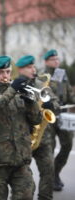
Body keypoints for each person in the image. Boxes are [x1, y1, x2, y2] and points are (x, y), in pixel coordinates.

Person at [0, 55, 42, 200]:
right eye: (1, 72)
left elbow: (36, 120)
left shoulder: (19, 94)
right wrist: (11, 91)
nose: (5, 75)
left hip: (21, 161)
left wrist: (31, 103)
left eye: (8, 71)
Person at [15, 55, 59, 200]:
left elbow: (56, 104)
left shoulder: (42, 86)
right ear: (20, 69)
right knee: (23, 179)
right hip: (23, 138)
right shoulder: (14, 86)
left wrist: (51, 105)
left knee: (48, 170)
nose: (33, 69)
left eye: (33, 66)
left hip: (43, 137)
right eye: (29, 67)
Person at [43, 49, 75, 191]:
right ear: (46, 61)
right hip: (48, 117)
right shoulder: (42, 76)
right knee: (48, 149)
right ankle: (50, 179)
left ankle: (56, 172)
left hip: (62, 114)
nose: (56, 61)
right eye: (53, 59)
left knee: (67, 145)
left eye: (57, 59)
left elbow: (67, 94)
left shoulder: (62, 74)